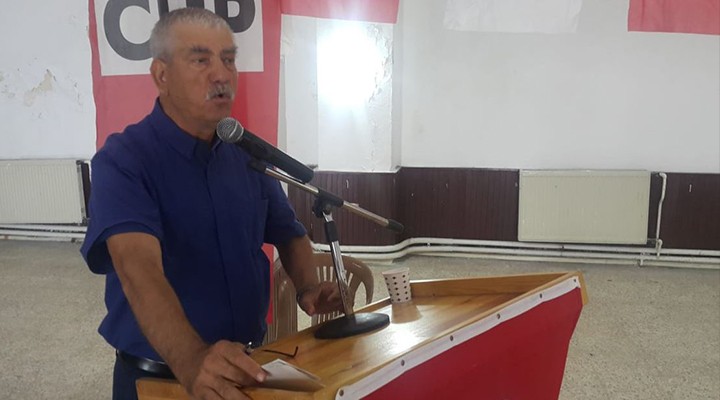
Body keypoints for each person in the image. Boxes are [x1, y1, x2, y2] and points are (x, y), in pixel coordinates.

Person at [80, 8, 341, 400]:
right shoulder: (123, 160)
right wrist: (192, 360)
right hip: (161, 379)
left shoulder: (246, 154)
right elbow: (138, 268)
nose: (221, 75)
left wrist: (308, 287)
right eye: (201, 60)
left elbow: (289, 233)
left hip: (245, 368)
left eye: (229, 60)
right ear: (161, 75)